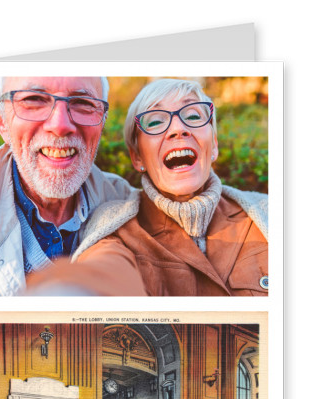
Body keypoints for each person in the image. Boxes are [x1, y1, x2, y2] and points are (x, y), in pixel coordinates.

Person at [40, 78, 268, 296]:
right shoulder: (115, 229)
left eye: (193, 116)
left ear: (214, 145)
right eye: (156, 121)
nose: (178, 129)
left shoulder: (267, 213)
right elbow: (103, 271)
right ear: (137, 156)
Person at [0, 76, 139, 296]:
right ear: (1, 119)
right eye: (34, 99)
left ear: (102, 121)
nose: (60, 126)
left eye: (83, 103)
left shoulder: (126, 204)